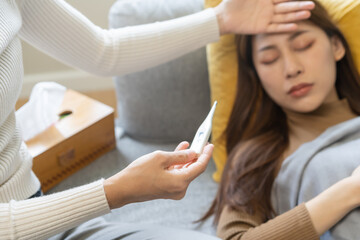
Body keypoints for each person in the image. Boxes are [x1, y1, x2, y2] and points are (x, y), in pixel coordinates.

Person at [0, 0, 315, 239]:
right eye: (271, 58)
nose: (292, 68)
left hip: (38, 208)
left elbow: (103, 51)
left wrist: (222, 19)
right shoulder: (253, 157)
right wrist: (117, 191)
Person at [201, 0, 360, 239]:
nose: (291, 69)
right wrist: (351, 190)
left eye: (303, 45)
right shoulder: (260, 157)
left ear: (336, 46)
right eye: (270, 59)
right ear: (257, 76)